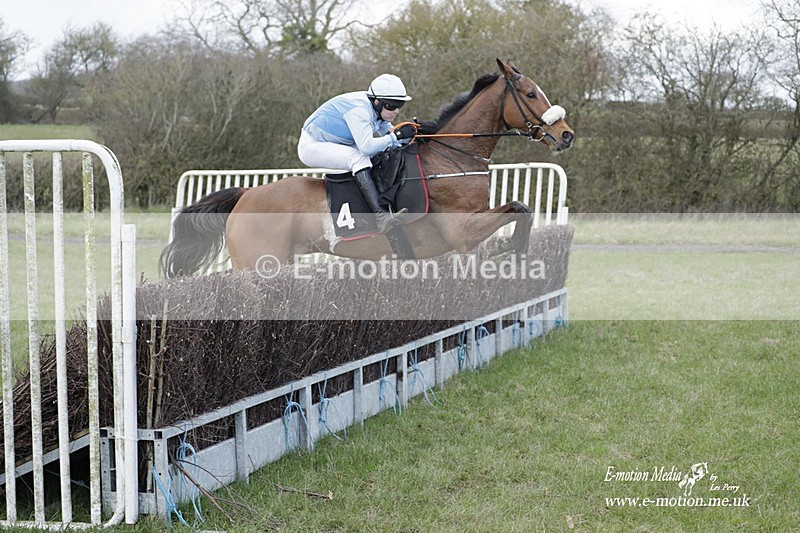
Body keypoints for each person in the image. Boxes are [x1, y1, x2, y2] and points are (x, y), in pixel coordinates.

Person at [298, 74, 417, 233]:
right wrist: (396, 137)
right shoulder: (360, 110)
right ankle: (380, 217)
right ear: (377, 102)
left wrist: (411, 137)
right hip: (312, 145)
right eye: (391, 106)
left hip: (335, 141)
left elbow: (389, 134)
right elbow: (367, 147)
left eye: (399, 105)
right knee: (360, 158)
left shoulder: (376, 109)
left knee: (380, 153)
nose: (396, 111)